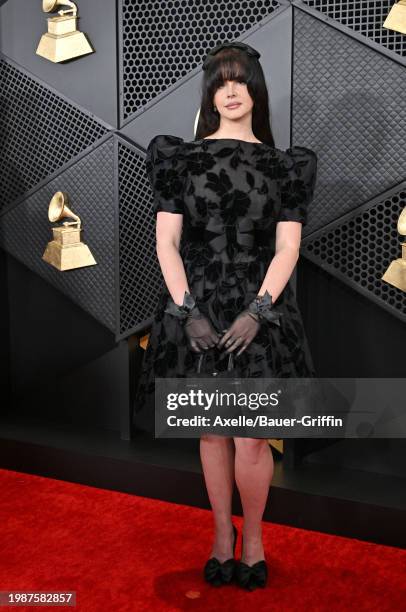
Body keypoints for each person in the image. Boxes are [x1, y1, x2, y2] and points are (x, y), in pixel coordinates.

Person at [134, 41, 317, 591]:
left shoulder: (286, 166)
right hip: (197, 303)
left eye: (239, 80)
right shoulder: (177, 158)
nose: (230, 90)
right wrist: (187, 310)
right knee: (211, 432)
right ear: (210, 93)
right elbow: (166, 241)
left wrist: (260, 311)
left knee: (253, 437)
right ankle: (220, 537)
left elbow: (288, 248)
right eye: (219, 81)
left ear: (255, 89)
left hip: (260, 307)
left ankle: (254, 539)